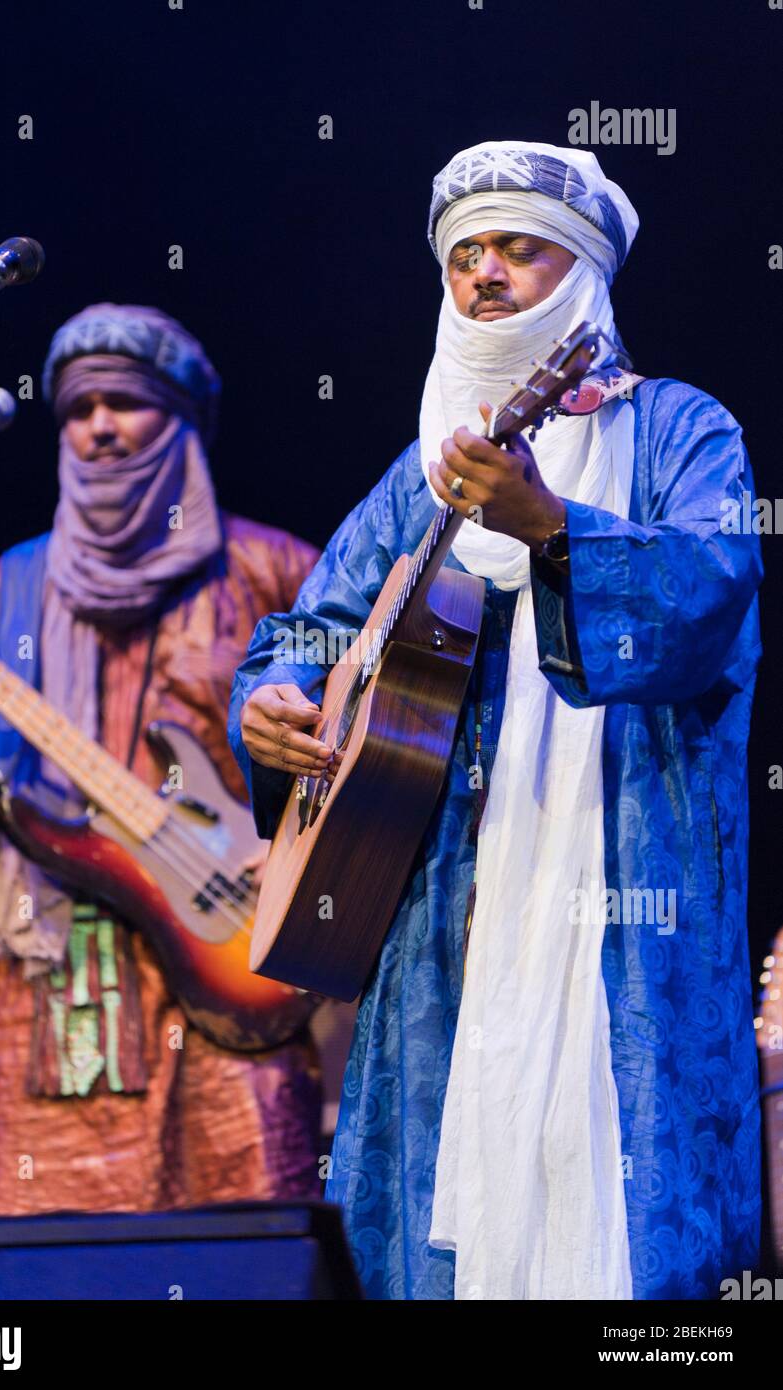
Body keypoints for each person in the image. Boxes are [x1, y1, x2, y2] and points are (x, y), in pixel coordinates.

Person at [229, 141, 763, 1299]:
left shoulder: (679, 431)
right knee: (439, 1212)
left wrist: (552, 527)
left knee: (618, 1195)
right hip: (445, 917)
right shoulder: (413, 482)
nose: (485, 273)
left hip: (622, 877)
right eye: (465, 253)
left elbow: (711, 594)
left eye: (518, 247)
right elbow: (307, 633)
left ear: (579, 272)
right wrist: (266, 702)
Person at [0, 302, 325, 1215]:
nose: (99, 428)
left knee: (247, 1249)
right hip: (51, 1001)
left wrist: (299, 860)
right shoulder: (6, 589)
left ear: (183, 418)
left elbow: (365, 765)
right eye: (78, 410)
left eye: (124, 403)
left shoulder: (273, 573)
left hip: (237, 986)